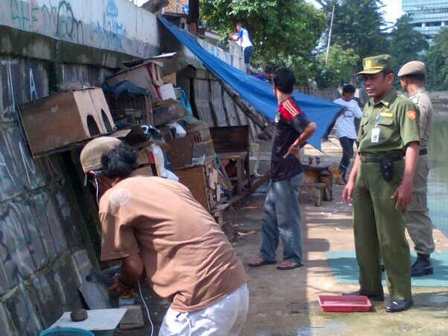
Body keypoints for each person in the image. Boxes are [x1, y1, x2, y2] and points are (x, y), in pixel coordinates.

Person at [79, 137, 249, 335]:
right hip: (236, 287)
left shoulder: (114, 198)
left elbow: (133, 267)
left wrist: (124, 284)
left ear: (95, 176)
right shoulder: (168, 184)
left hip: (202, 300)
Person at [342, 55, 420, 313]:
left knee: (390, 236)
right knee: (363, 235)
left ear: (389, 77)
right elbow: (360, 147)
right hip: (365, 171)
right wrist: (352, 178)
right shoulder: (368, 106)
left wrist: (407, 183)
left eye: (373, 77)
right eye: (365, 78)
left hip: (388, 173)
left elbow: (412, 145)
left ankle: (400, 293)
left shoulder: (402, 105)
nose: (367, 83)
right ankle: (370, 288)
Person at [248, 68, 317, 270]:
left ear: (274, 86)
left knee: (287, 219)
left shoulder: (288, 106)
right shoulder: (283, 107)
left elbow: (310, 127)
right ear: (293, 86)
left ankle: (293, 257)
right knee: (269, 217)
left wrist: (296, 146)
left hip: (287, 173)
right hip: (279, 173)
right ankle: (267, 254)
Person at [398, 61, 435, 277]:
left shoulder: (419, 102)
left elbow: (414, 138)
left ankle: (424, 258)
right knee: (403, 207)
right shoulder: (414, 100)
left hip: (416, 159)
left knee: (416, 208)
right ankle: (401, 255)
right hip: (410, 158)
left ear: (405, 80)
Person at [333, 84, 363, 184]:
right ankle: (339, 175)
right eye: (348, 95)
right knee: (348, 153)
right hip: (342, 132)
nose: (350, 97)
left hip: (352, 132)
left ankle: (341, 176)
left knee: (348, 155)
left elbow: (359, 116)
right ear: (344, 93)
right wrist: (325, 134)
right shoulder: (336, 103)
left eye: (352, 95)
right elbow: (331, 119)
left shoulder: (354, 103)